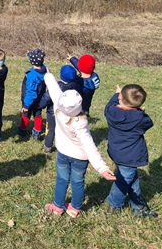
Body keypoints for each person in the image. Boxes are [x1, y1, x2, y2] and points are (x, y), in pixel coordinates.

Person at [43, 72, 116, 218]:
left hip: (63, 153)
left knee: (62, 180)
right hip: (79, 159)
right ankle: (74, 208)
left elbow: (54, 89)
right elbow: (89, 147)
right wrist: (101, 168)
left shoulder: (58, 108)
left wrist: (48, 75)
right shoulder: (80, 123)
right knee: (77, 181)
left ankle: (57, 206)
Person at [105, 84, 157, 217]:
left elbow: (110, 104)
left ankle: (137, 207)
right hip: (130, 156)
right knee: (124, 179)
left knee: (132, 177)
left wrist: (116, 94)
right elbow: (149, 123)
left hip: (116, 151)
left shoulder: (111, 111)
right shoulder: (140, 117)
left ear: (120, 97)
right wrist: (139, 110)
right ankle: (113, 204)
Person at [40, 65, 83, 153]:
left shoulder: (57, 86)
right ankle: (67, 145)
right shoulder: (77, 85)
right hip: (69, 113)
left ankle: (48, 146)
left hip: (53, 112)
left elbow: (47, 97)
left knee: (50, 128)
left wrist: (40, 105)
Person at [18, 48, 47, 140]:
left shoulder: (32, 76)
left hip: (30, 101)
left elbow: (31, 93)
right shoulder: (45, 69)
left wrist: (26, 105)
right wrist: (29, 55)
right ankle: (37, 132)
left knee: (25, 115)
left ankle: (22, 130)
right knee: (37, 115)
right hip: (40, 99)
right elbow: (36, 60)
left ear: (32, 62)